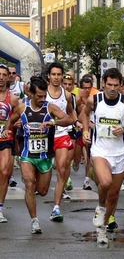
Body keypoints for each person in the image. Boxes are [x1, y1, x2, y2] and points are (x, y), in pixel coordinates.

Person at [2, 76, 73, 233]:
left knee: (42, 191)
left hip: (45, 157)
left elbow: (69, 119)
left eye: (44, 96)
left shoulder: (51, 108)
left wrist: (53, 122)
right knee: (29, 184)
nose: (42, 99)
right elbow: (10, 119)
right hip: (27, 155)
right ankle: (34, 221)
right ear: (31, 94)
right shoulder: (22, 108)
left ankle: (35, 189)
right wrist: (9, 128)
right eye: (39, 96)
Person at [80, 68, 124, 244]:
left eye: (116, 85)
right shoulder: (94, 99)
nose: (112, 88)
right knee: (105, 182)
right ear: (103, 84)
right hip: (100, 150)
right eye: (109, 85)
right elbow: (84, 115)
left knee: (113, 194)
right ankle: (100, 207)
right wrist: (86, 130)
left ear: (121, 86)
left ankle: (102, 229)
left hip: (119, 152)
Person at [46, 62, 80, 222]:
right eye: (54, 74)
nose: (56, 77)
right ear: (49, 76)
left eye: (59, 74)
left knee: (62, 169)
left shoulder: (66, 95)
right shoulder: (41, 92)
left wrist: (76, 121)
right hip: (43, 136)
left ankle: (56, 207)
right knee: (41, 181)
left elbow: (70, 111)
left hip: (61, 134)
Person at [0, 64, 19, 223]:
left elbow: (20, 116)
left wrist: (16, 124)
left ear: (8, 77)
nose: (0, 77)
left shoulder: (13, 98)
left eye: (4, 75)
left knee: (5, 173)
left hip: (6, 139)